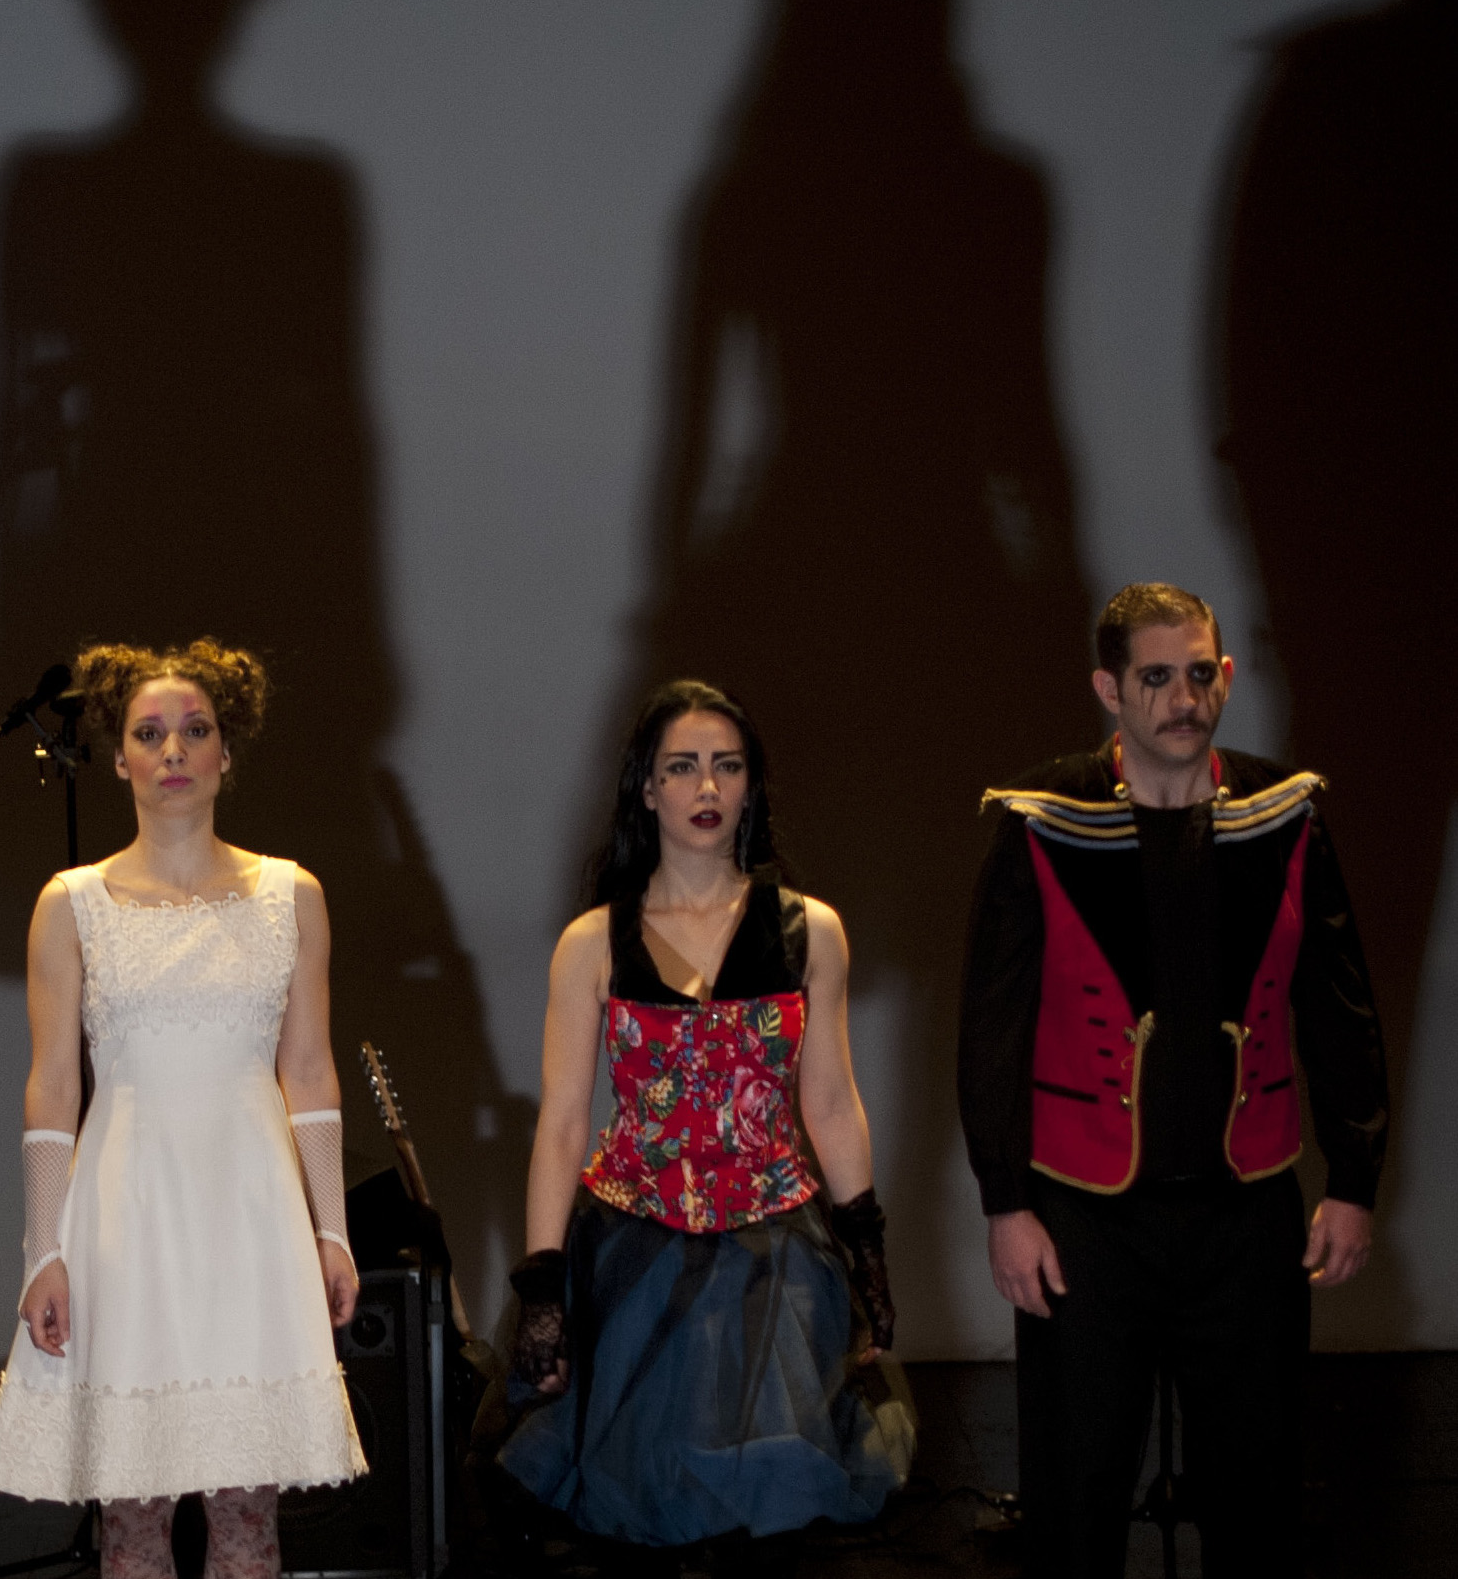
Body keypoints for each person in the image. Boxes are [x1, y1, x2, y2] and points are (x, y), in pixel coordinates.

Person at [959, 582, 1390, 1577]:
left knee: (1257, 1491)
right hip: (1084, 1218)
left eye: (1200, 673)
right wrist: (1005, 1203)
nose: (1183, 699)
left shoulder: (1287, 815)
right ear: (1109, 688)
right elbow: (992, 1030)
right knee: (1077, 1494)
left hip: (1247, 1212)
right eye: (1156, 677)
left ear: (1226, 675)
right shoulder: (1043, 820)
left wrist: (1355, 1179)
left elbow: (1341, 1007)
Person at [0, 639, 366, 1579]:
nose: (173, 749)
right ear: (118, 759)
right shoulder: (72, 902)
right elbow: (52, 1084)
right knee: (133, 1519)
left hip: (252, 1220)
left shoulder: (292, 894)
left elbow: (310, 1071)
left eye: (195, 730)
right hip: (128, 1219)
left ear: (226, 751)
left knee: (248, 1518)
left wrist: (332, 1231)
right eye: (150, 733)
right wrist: (42, 1249)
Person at [501, 680, 911, 1577]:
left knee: (765, 1518)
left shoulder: (810, 930)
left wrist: (867, 1245)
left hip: (775, 1251)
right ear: (647, 788)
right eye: (682, 767)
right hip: (633, 1249)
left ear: (750, 784)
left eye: (727, 765)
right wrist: (541, 1286)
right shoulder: (593, 942)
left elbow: (831, 1101)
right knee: (642, 1516)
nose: (707, 786)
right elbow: (563, 1122)